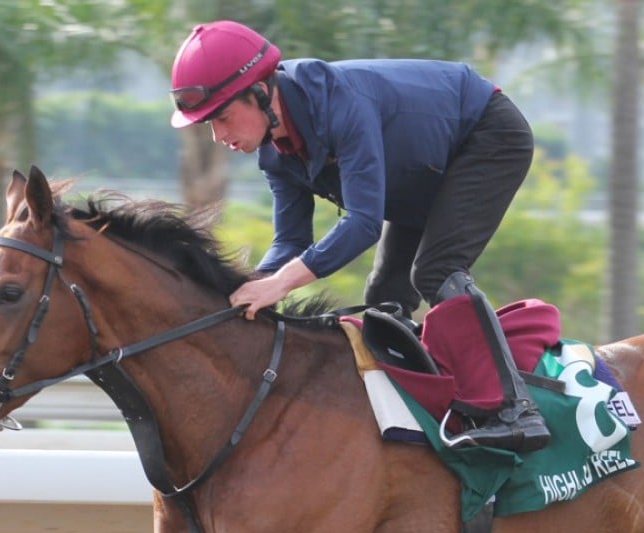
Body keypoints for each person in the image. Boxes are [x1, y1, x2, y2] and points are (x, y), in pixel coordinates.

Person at [168, 19, 549, 452]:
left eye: (222, 116)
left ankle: (516, 411)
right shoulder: (275, 156)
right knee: (384, 295)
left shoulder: (340, 103)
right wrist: (252, 284)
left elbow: (364, 224)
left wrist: (280, 283)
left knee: (435, 270)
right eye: (208, 125)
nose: (219, 136)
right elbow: (290, 242)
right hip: (419, 170)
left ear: (261, 92)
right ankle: (416, 411)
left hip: (486, 134)